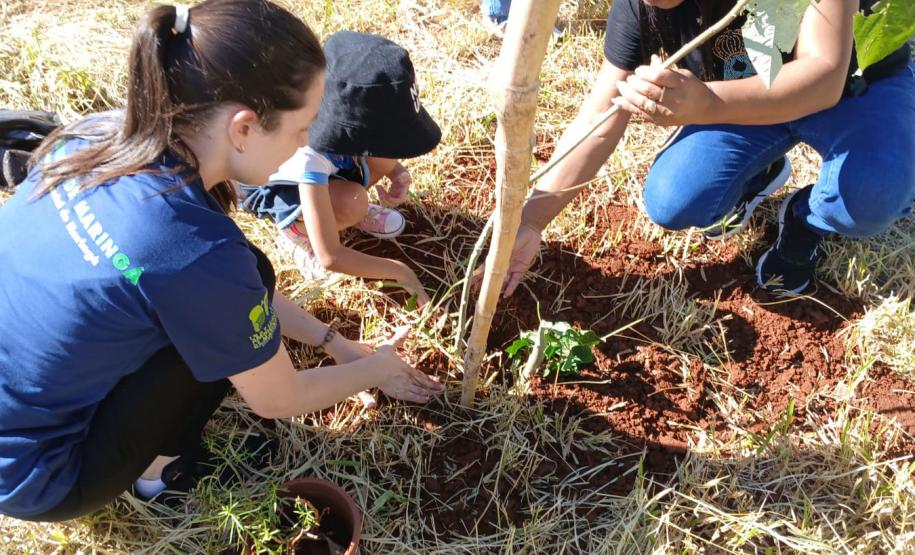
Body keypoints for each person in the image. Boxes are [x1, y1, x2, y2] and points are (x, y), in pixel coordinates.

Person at [0, 0, 442, 523]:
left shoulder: (98, 135)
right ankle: (161, 475)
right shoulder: (192, 252)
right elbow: (278, 397)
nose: (306, 146)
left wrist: (336, 343)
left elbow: (230, 294)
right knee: (212, 324)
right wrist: (378, 367)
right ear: (243, 127)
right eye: (302, 130)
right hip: (39, 476)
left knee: (228, 294)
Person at [499, 0, 914, 297]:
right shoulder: (638, 7)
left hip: (855, 91)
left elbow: (825, 77)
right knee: (676, 197)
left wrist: (709, 104)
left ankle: (808, 221)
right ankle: (759, 171)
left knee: (873, 195)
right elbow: (599, 119)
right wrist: (531, 221)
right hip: (746, 100)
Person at [240, 31, 441, 307]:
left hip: (331, 166)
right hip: (281, 189)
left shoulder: (338, 116)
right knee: (353, 202)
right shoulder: (308, 151)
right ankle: (301, 236)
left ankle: (336, 208)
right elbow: (330, 256)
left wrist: (396, 171)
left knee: (383, 158)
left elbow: (384, 149)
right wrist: (400, 271)